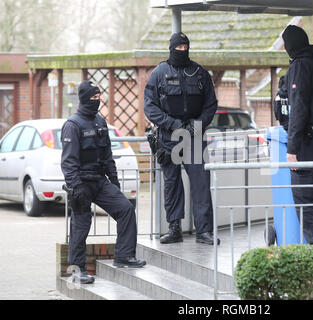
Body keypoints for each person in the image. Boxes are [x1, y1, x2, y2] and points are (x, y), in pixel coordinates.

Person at [61, 81, 146, 284]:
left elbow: (108, 155)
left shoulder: (100, 121)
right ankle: (77, 269)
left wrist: (114, 181)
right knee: (81, 225)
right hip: (81, 183)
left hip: (100, 180)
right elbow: (68, 162)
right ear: (83, 98)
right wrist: (75, 187)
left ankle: (124, 256)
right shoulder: (72, 125)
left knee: (126, 209)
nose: (97, 100)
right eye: (93, 97)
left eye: (99, 97)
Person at [144, 32, 219, 246]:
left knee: (201, 184)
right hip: (170, 136)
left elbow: (210, 104)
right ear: (171, 48)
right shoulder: (159, 73)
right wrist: (174, 125)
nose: (182, 51)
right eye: (179, 47)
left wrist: (197, 126)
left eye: (186, 47)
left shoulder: (199, 72)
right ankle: (174, 228)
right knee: (172, 184)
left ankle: (204, 231)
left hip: (194, 135)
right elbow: (149, 106)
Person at [282, 25, 313, 250]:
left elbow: (298, 109)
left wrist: (291, 148)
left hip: (306, 144)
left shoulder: (300, 66)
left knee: (305, 200)